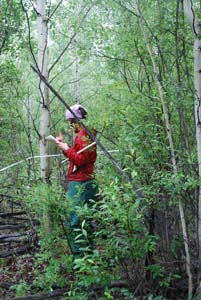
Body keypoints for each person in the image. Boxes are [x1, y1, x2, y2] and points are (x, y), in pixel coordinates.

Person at [54, 104, 98, 255]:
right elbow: (77, 157)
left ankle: (80, 258)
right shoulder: (87, 133)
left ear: (76, 120)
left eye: (70, 121)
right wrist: (64, 148)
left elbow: (80, 160)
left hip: (81, 182)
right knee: (85, 219)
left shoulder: (84, 135)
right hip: (86, 180)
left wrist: (66, 148)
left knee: (75, 221)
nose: (70, 125)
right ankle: (88, 255)